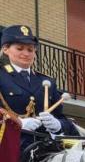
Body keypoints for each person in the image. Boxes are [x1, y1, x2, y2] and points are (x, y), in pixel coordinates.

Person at [0, 24, 75, 154]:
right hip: (9, 151)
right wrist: (18, 123)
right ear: (6, 49)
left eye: (30, 50)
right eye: (19, 48)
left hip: (46, 150)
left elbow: (63, 120)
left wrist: (57, 125)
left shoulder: (46, 81)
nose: (26, 53)